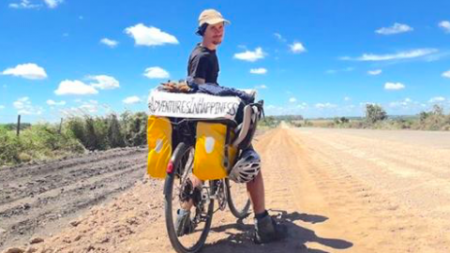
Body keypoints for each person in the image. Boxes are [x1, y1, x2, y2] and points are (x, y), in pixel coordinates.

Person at [175, 9, 287, 244]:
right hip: (207, 118)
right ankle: (263, 224)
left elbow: (208, 86)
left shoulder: (207, 54)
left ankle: (183, 216)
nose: (219, 31)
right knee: (250, 160)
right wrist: (238, 94)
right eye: (213, 27)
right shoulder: (202, 56)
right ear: (203, 30)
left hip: (202, 118)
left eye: (221, 27)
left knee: (203, 163)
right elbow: (199, 87)